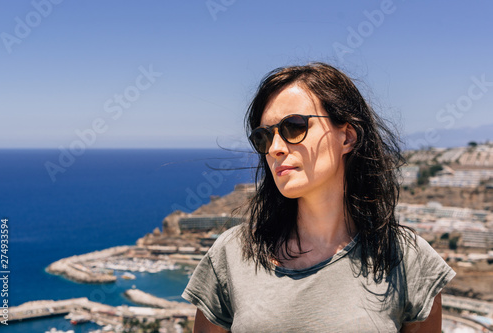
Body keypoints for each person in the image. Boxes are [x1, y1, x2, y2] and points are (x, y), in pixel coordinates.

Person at [182, 62, 455, 332]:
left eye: (294, 127)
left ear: (347, 137)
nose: (275, 148)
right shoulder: (232, 254)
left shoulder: (407, 259)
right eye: (264, 137)